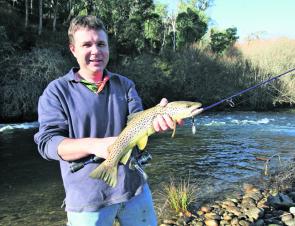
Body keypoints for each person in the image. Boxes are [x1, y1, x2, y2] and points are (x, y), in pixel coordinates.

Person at [34, 15, 182, 226]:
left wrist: (158, 120)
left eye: (101, 44)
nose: (96, 51)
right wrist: (97, 146)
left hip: (134, 189)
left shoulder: (125, 85)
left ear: (108, 48)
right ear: (73, 49)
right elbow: (47, 144)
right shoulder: (56, 92)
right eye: (87, 44)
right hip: (87, 199)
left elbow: (137, 122)